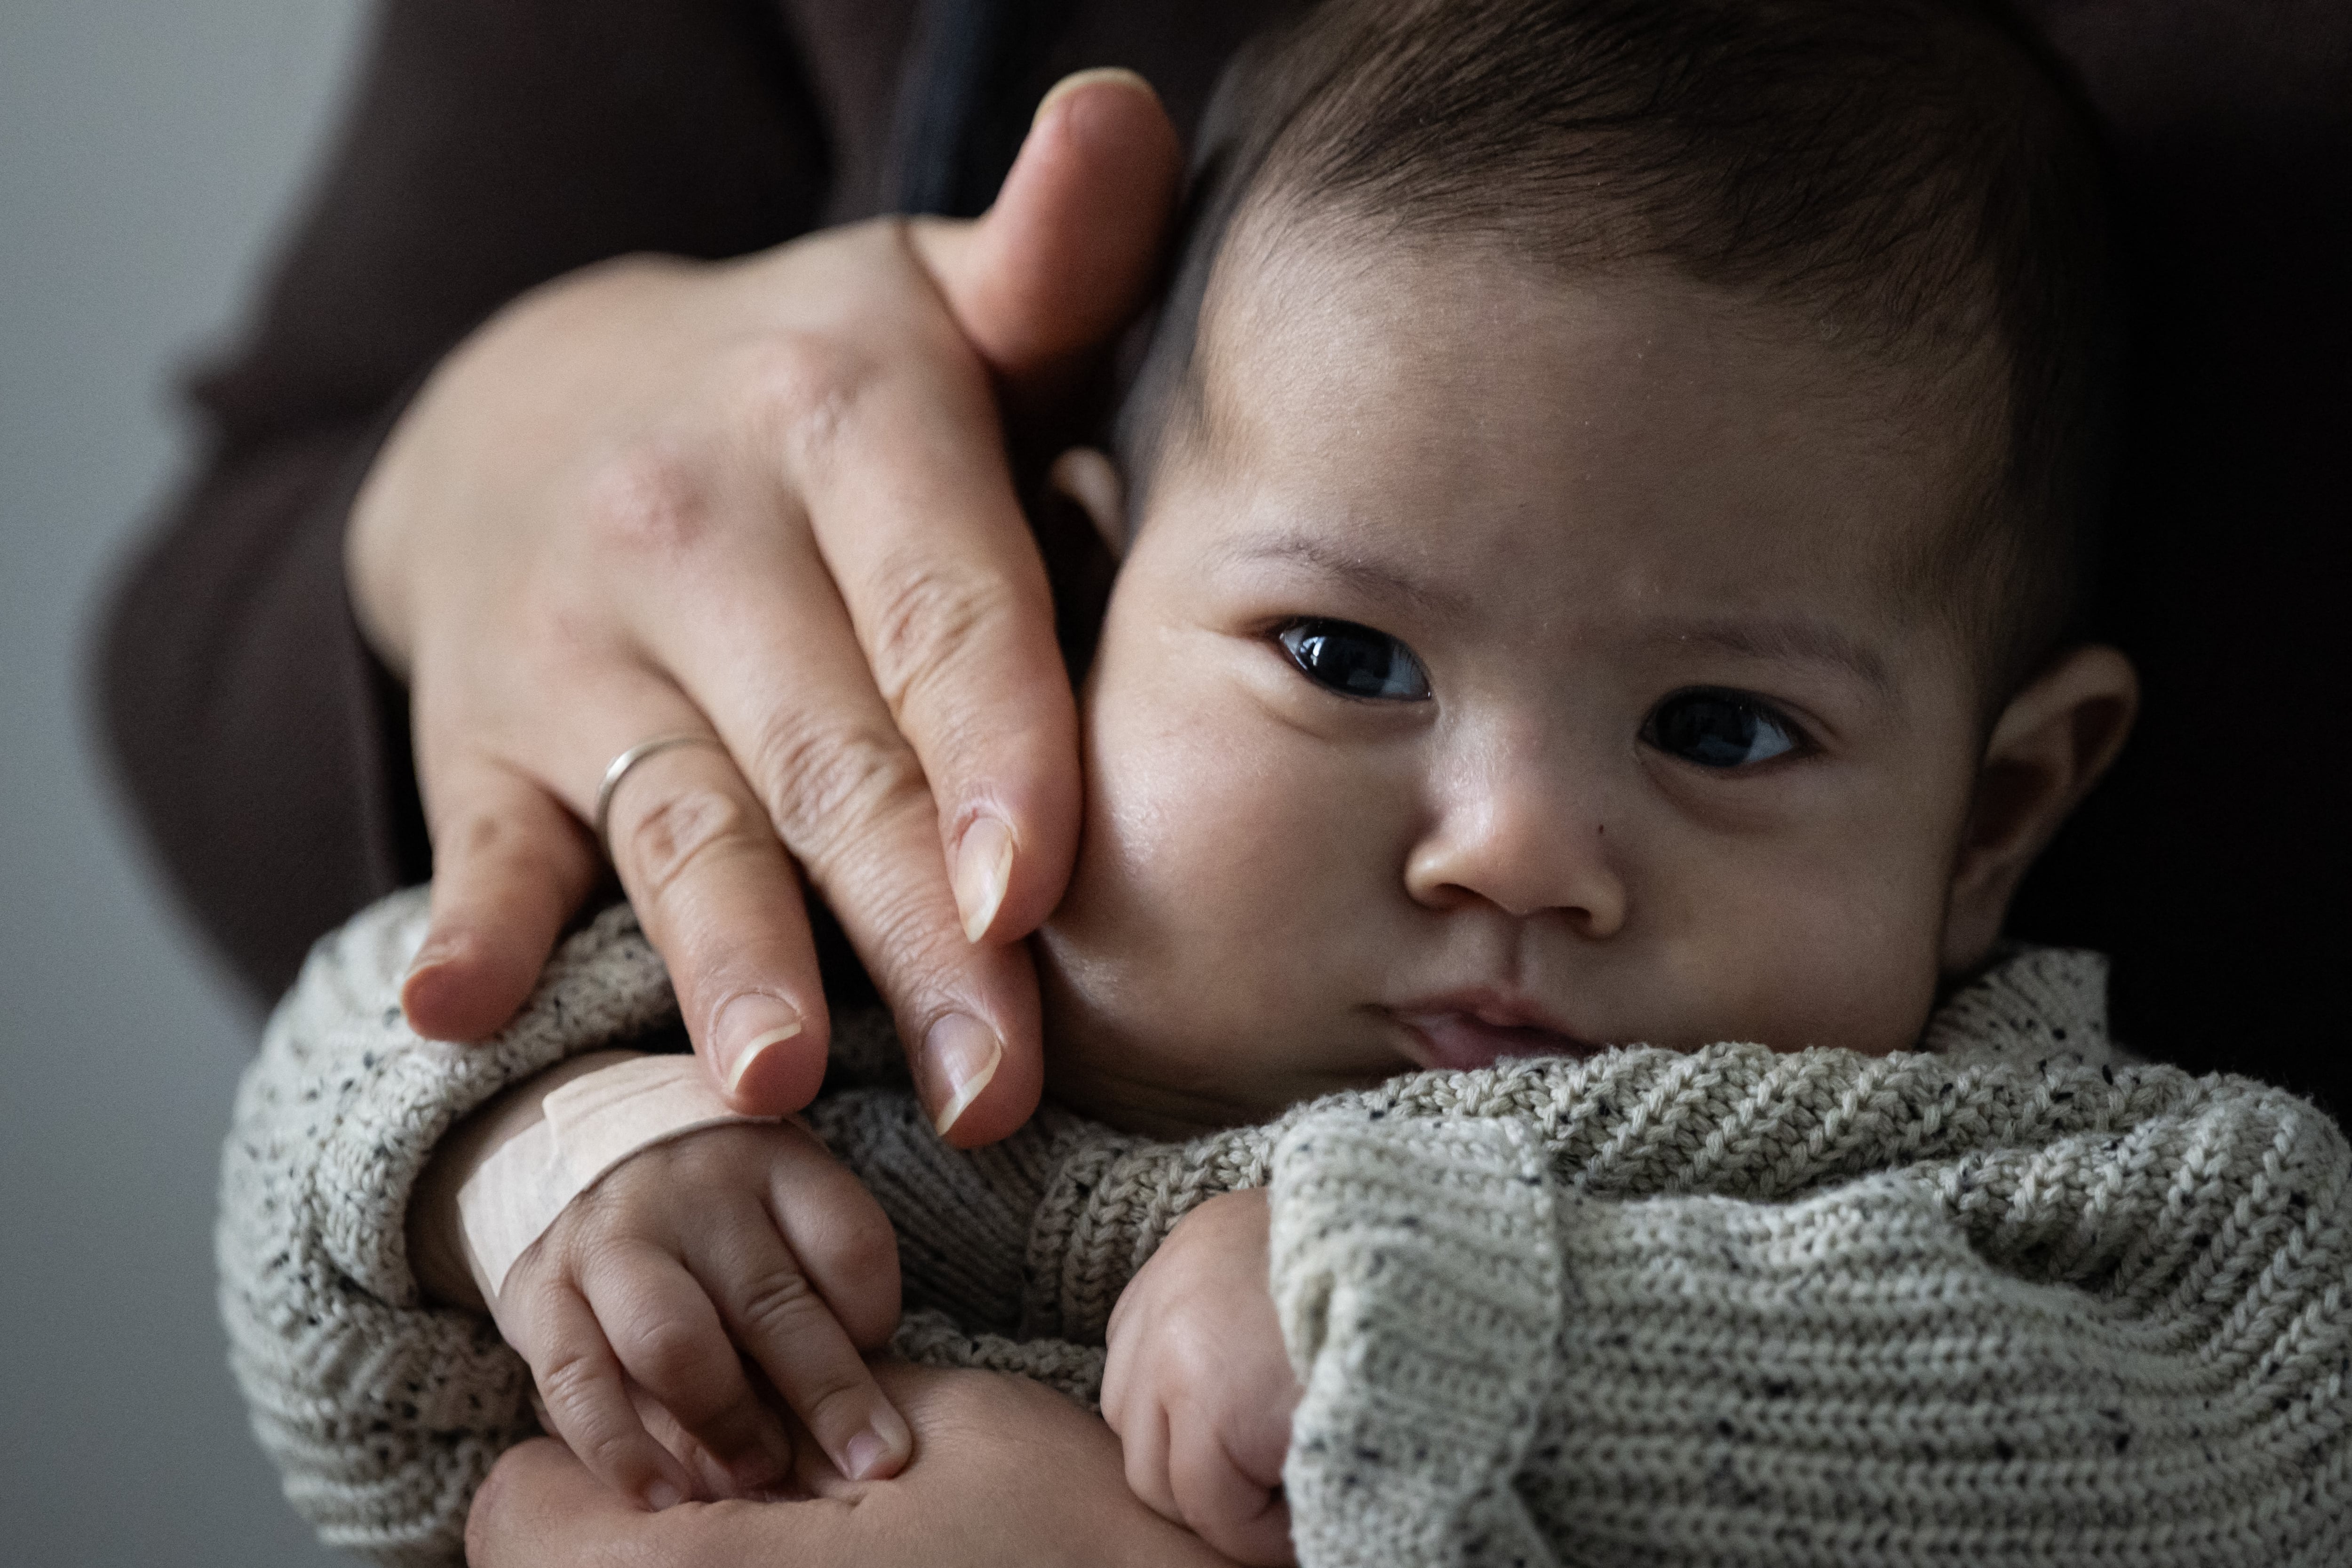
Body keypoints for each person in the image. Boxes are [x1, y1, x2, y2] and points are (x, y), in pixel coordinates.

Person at [218, 2, 2352, 1564]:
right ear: (1064, 598)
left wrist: (1429, 1333)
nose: (1512, 844)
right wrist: (543, 1154)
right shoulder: (833, 1000)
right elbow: (383, 1074)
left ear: (1991, 823)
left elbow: (2249, 1409)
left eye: (1720, 729)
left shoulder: (1959, 1160)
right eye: (1344, 658)